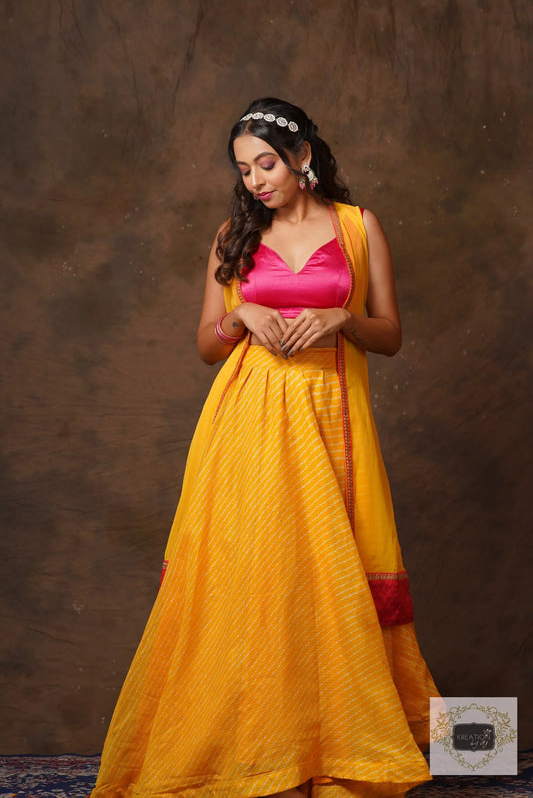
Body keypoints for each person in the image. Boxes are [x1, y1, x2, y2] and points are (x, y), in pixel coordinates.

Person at [91, 98, 440, 798]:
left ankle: (354, 744)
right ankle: (263, 754)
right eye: (244, 169)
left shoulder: (357, 226)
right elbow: (205, 347)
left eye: (267, 164)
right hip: (247, 425)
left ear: (302, 156)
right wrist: (240, 315)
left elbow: (391, 334)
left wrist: (342, 319)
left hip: (331, 417)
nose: (254, 180)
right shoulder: (233, 237)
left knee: (334, 573)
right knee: (261, 577)